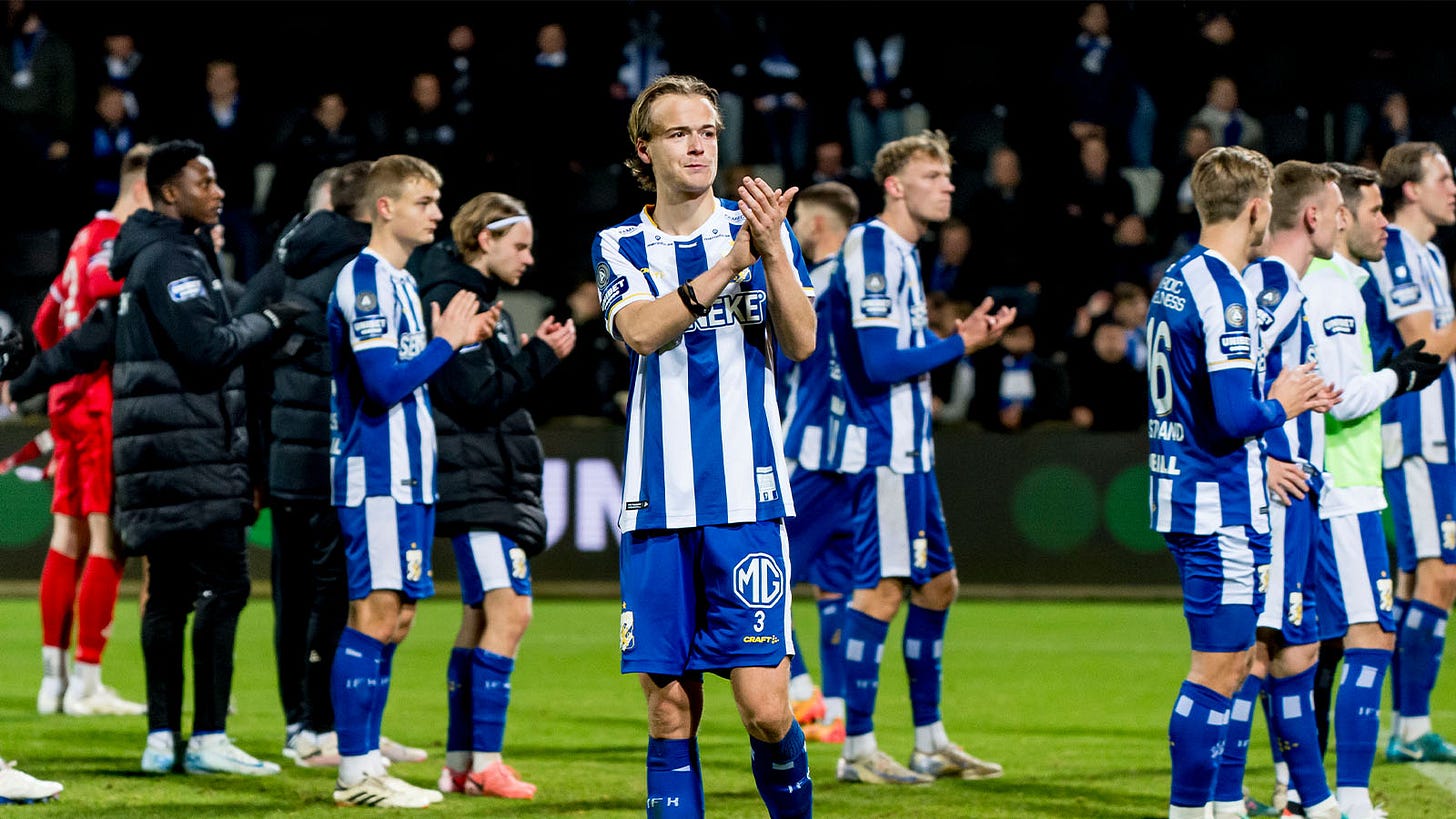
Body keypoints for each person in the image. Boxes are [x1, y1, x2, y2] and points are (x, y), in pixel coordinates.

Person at [592, 73, 816, 817]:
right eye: (680, 131)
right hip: (656, 504)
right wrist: (728, 267)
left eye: (709, 131)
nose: (698, 145)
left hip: (746, 500)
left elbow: (803, 340)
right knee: (668, 711)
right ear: (643, 147)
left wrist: (775, 253)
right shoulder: (620, 243)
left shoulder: (758, 229)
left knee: (766, 710)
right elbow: (641, 333)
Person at [1145, 145, 1334, 819]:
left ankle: (1216, 806)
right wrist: (1284, 400)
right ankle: (1190, 810)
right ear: (1257, 208)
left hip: (1189, 490)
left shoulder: (1176, 277)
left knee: (1229, 664)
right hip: (1215, 498)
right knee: (1219, 669)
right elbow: (1230, 417)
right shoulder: (1224, 292)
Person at [819, 130, 1013, 786]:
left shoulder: (901, 253)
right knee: (880, 591)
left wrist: (957, 340)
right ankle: (859, 747)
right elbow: (876, 364)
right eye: (934, 174)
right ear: (895, 185)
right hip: (884, 451)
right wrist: (958, 344)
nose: (949, 185)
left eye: (949, 175)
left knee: (938, 584)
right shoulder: (873, 244)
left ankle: (929, 740)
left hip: (911, 450)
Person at [109, 139, 305, 776]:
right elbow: (208, 348)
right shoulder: (171, 259)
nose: (218, 192)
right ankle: (208, 737)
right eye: (205, 181)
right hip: (191, 451)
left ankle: (162, 737)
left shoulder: (152, 255)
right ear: (170, 192)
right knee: (225, 586)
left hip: (158, 452)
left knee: (167, 594)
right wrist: (272, 321)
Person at [326, 154, 495, 809]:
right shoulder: (364, 279)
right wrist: (447, 340)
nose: (437, 212)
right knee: (373, 614)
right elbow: (384, 382)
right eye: (426, 201)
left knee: (396, 619)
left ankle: (368, 762)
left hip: (409, 479)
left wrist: (448, 339)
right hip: (375, 477)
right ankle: (355, 771)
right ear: (386, 207)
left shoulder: (399, 280)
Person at [415, 192, 574, 800]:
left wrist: (534, 355)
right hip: (475, 483)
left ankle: (460, 765)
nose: (530, 258)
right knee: (512, 613)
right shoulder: (459, 299)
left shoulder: (483, 302)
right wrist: (538, 357)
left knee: (481, 616)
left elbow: (492, 390)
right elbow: (474, 397)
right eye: (520, 245)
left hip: (486, 480)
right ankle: (484, 762)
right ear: (484, 239)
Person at [1298, 162, 1442, 819]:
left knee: (1306, 645)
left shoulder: (1331, 281)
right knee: (1369, 635)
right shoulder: (1332, 287)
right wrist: (1398, 379)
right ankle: (1347, 796)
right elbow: (1341, 397)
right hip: (1343, 487)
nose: (1381, 221)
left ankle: (1300, 791)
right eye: (1372, 209)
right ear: (1338, 216)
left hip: (1333, 484)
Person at [1211, 160, 1346, 819]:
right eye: (1337, 206)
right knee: (1262, 648)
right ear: (1312, 216)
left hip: (1300, 493)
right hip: (1278, 496)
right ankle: (1230, 795)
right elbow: (1224, 380)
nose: (1343, 219)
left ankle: (1307, 801)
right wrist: (1258, 460)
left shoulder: (1286, 284)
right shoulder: (1273, 285)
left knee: (1299, 647)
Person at [30, 142, 151, 719]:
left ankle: (52, 679)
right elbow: (109, 296)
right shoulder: (113, 242)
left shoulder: (81, 237)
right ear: (148, 189)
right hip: (101, 400)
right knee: (105, 541)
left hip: (67, 400)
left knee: (66, 537)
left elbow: (44, 321)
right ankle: (86, 680)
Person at [1362, 141, 1456, 764]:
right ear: (1411, 190)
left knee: (1422, 577)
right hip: (1417, 433)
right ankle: (1409, 726)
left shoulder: (1431, 255)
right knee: (1438, 574)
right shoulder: (1395, 247)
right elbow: (1422, 343)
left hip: (1440, 431)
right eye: (1444, 176)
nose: (1454, 186)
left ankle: (1403, 723)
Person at [777, 180, 861, 745]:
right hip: (857, 455)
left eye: (801, 217)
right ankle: (833, 709)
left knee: (763, 573)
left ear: (819, 224)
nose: (797, 226)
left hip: (812, 450)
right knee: (834, 585)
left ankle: (801, 691)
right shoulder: (867, 282)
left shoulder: (819, 285)